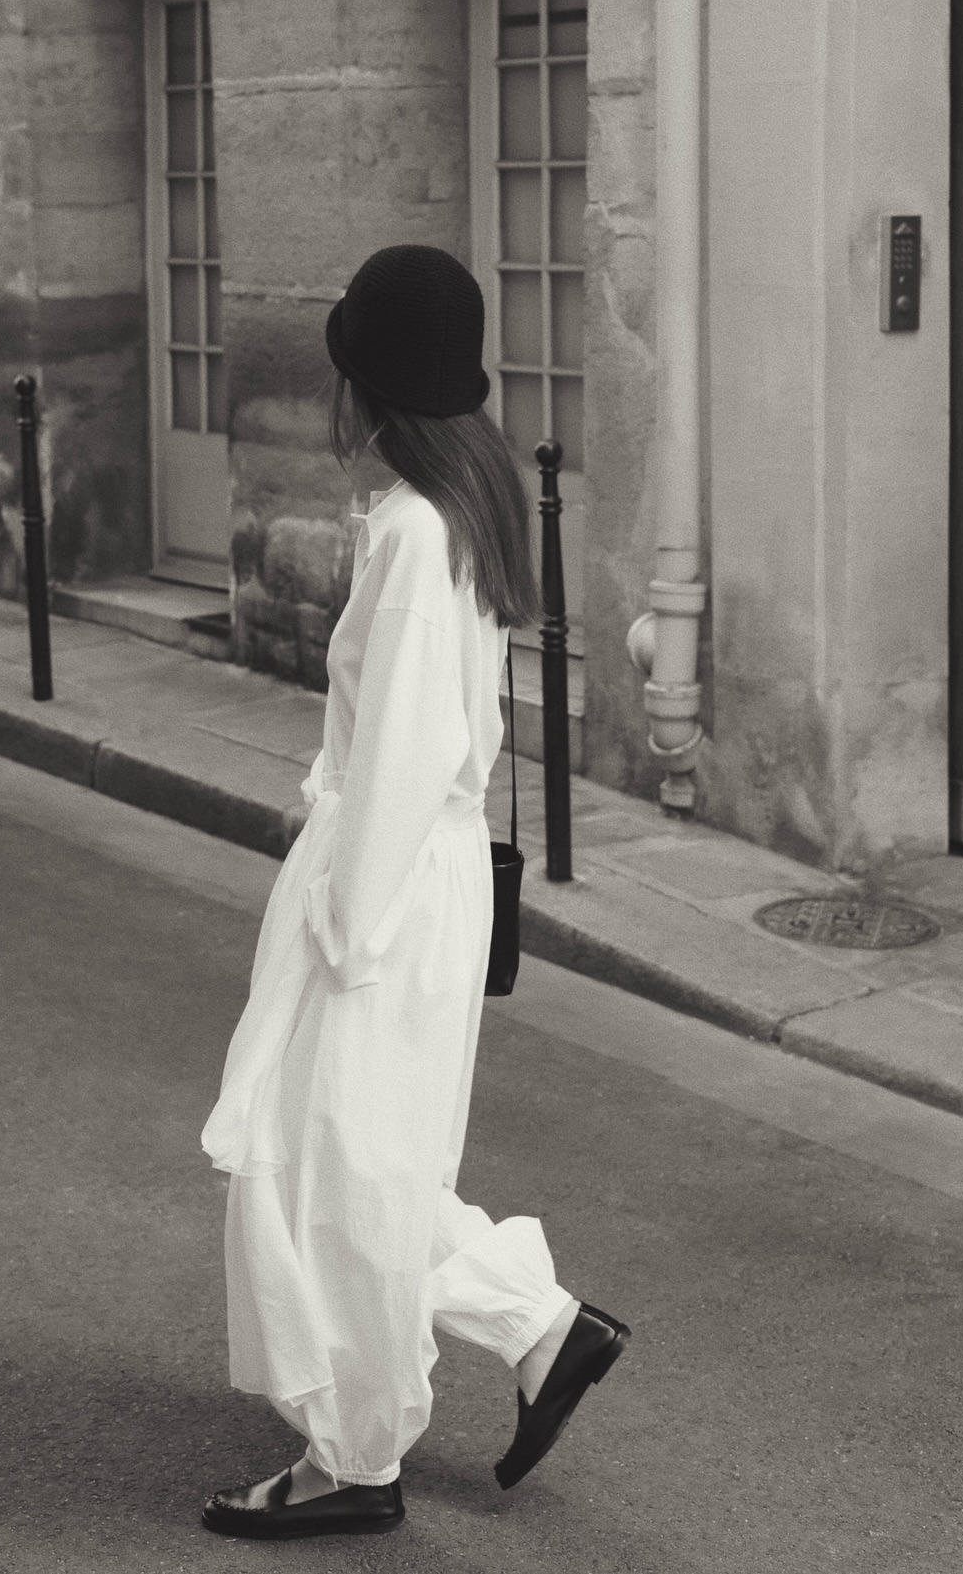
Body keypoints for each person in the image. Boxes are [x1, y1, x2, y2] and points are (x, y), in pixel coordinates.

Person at [199, 244, 629, 1542]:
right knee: (358, 1160)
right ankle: (540, 1328)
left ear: (368, 388)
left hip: (388, 887)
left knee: (331, 1171)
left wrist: (341, 924)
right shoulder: (454, 511)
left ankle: (355, 1460)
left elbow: (397, 752)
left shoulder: (414, 532)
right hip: (415, 879)